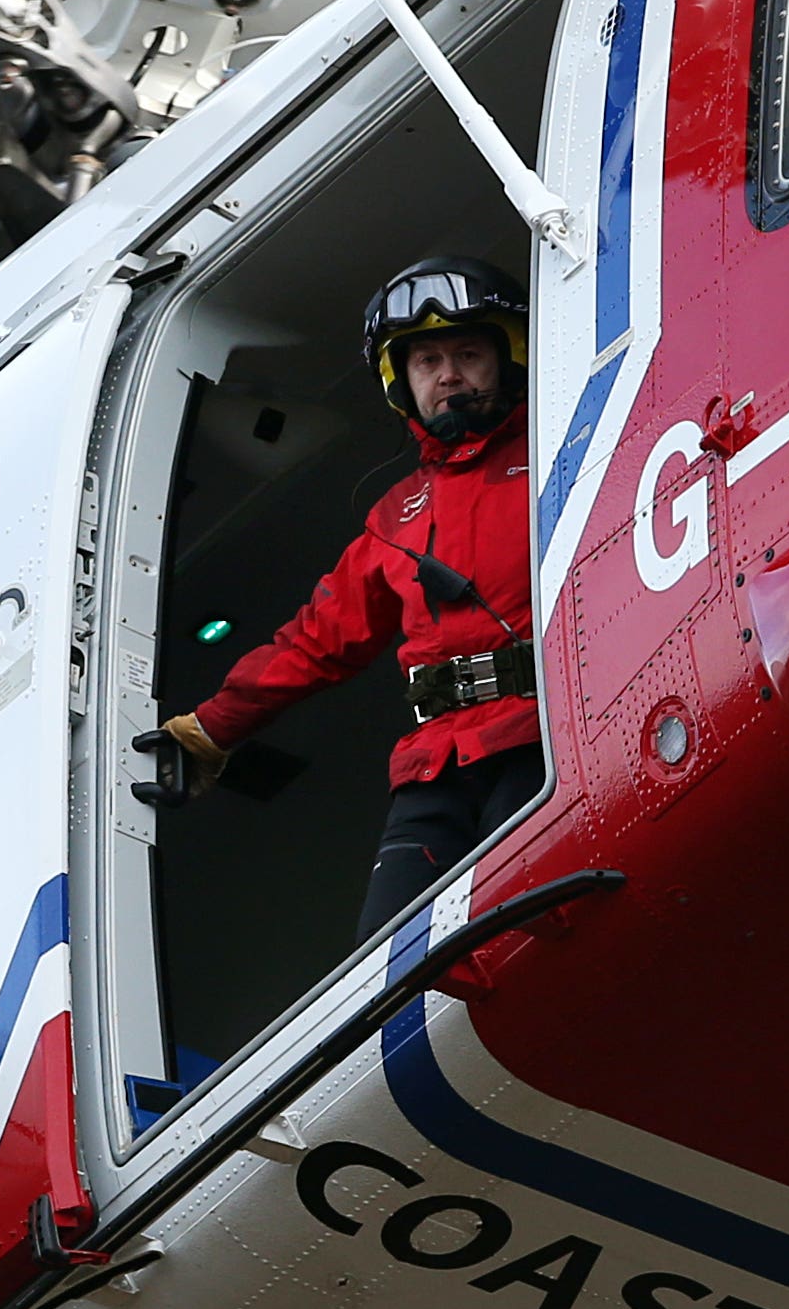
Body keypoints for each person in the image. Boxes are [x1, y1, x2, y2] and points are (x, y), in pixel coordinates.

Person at [149, 258, 544, 936]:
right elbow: (316, 641)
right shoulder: (392, 518)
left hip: (543, 736)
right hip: (434, 768)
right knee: (388, 963)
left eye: (467, 353)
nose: (447, 374)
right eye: (425, 361)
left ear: (505, 359)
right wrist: (211, 729)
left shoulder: (560, 436)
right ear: (402, 383)